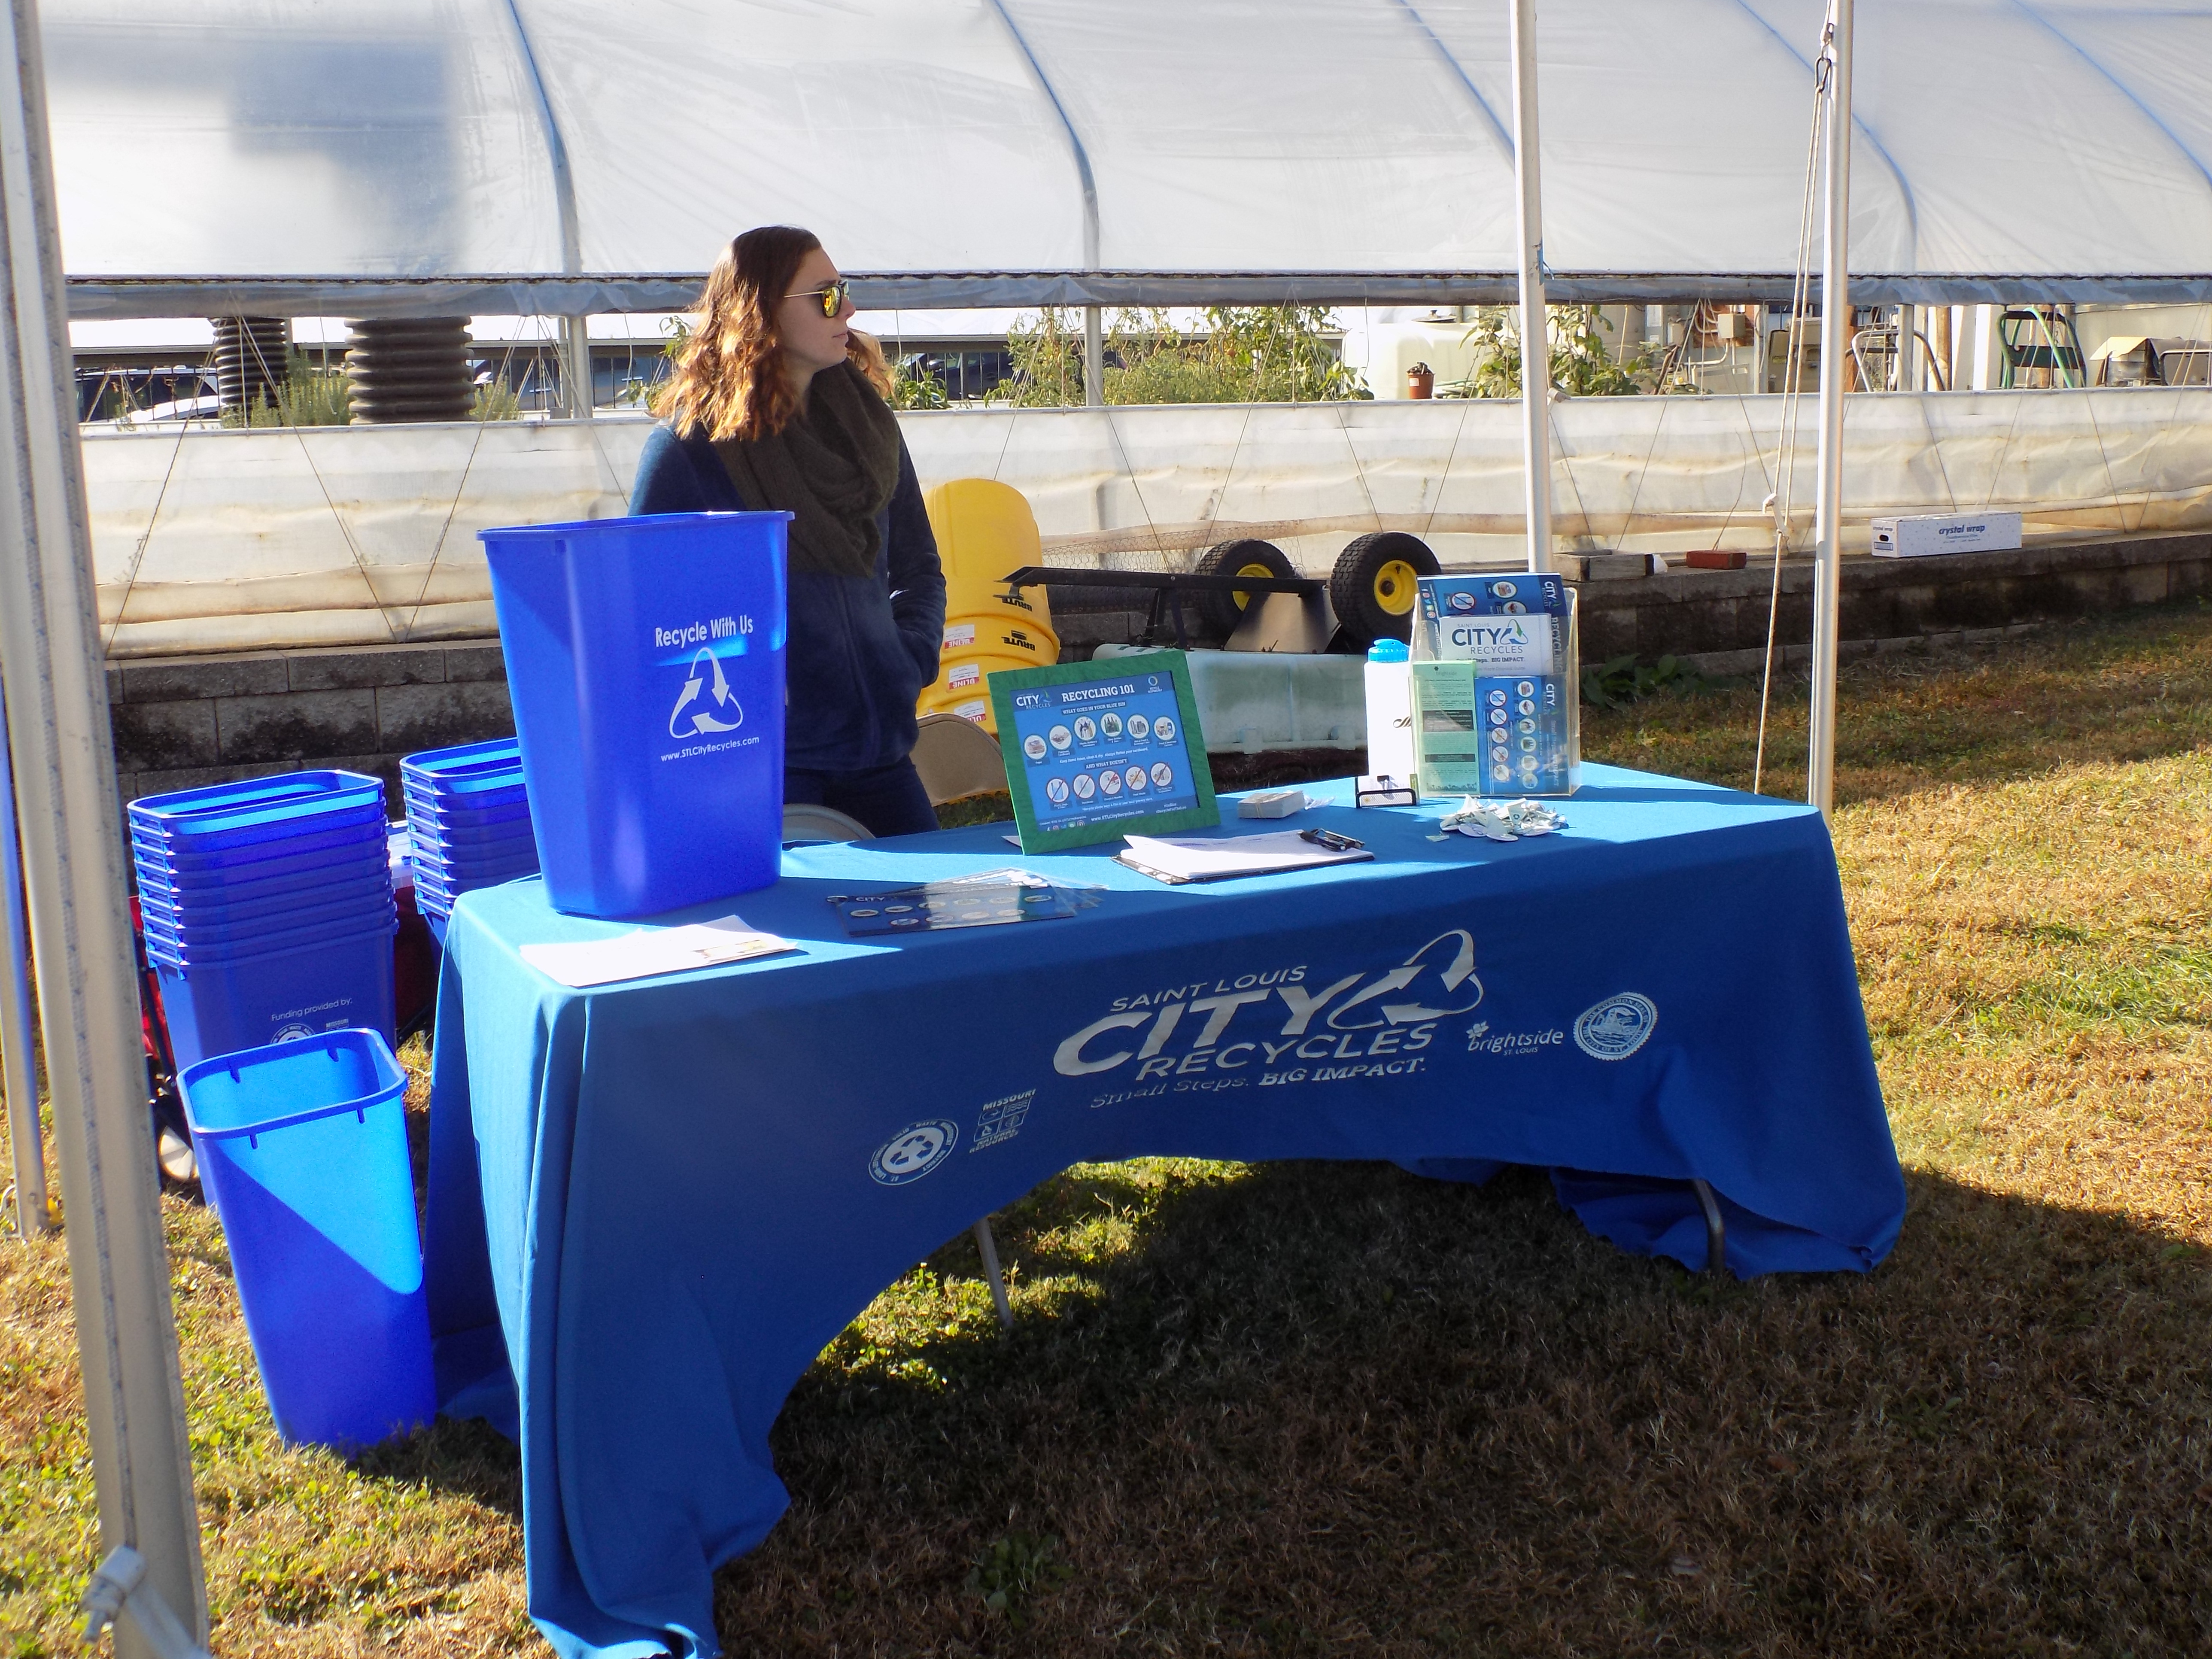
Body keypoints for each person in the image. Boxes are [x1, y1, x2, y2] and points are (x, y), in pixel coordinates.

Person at [630, 226, 945, 837]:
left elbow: (919, 568)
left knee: (935, 921)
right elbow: (650, 621)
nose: (848, 309)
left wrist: (905, 661)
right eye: (826, 296)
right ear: (761, 312)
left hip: (881, 756)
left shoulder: (870, 432)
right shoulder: (688, 452)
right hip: (768, 768)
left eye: (844, 292)